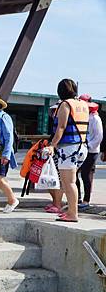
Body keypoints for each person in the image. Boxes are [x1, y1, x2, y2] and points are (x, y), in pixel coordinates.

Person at [47, 79, 89, 222]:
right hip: (82, 147)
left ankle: (73, 213)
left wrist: (52, 145)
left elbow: (61, 127)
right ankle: (71, 210)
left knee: (69, 182)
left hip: (69, 148)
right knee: (70, 181)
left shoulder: (65, 105)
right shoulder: (83, 105)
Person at [76, 95, 103, 209]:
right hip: (82, 149)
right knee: (74, 173)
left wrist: (89, 146)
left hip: (91, 151)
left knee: (85, 175)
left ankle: (86, 200)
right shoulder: (85, 116)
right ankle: (77, 198)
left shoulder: (95, 118)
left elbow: (98, 137)